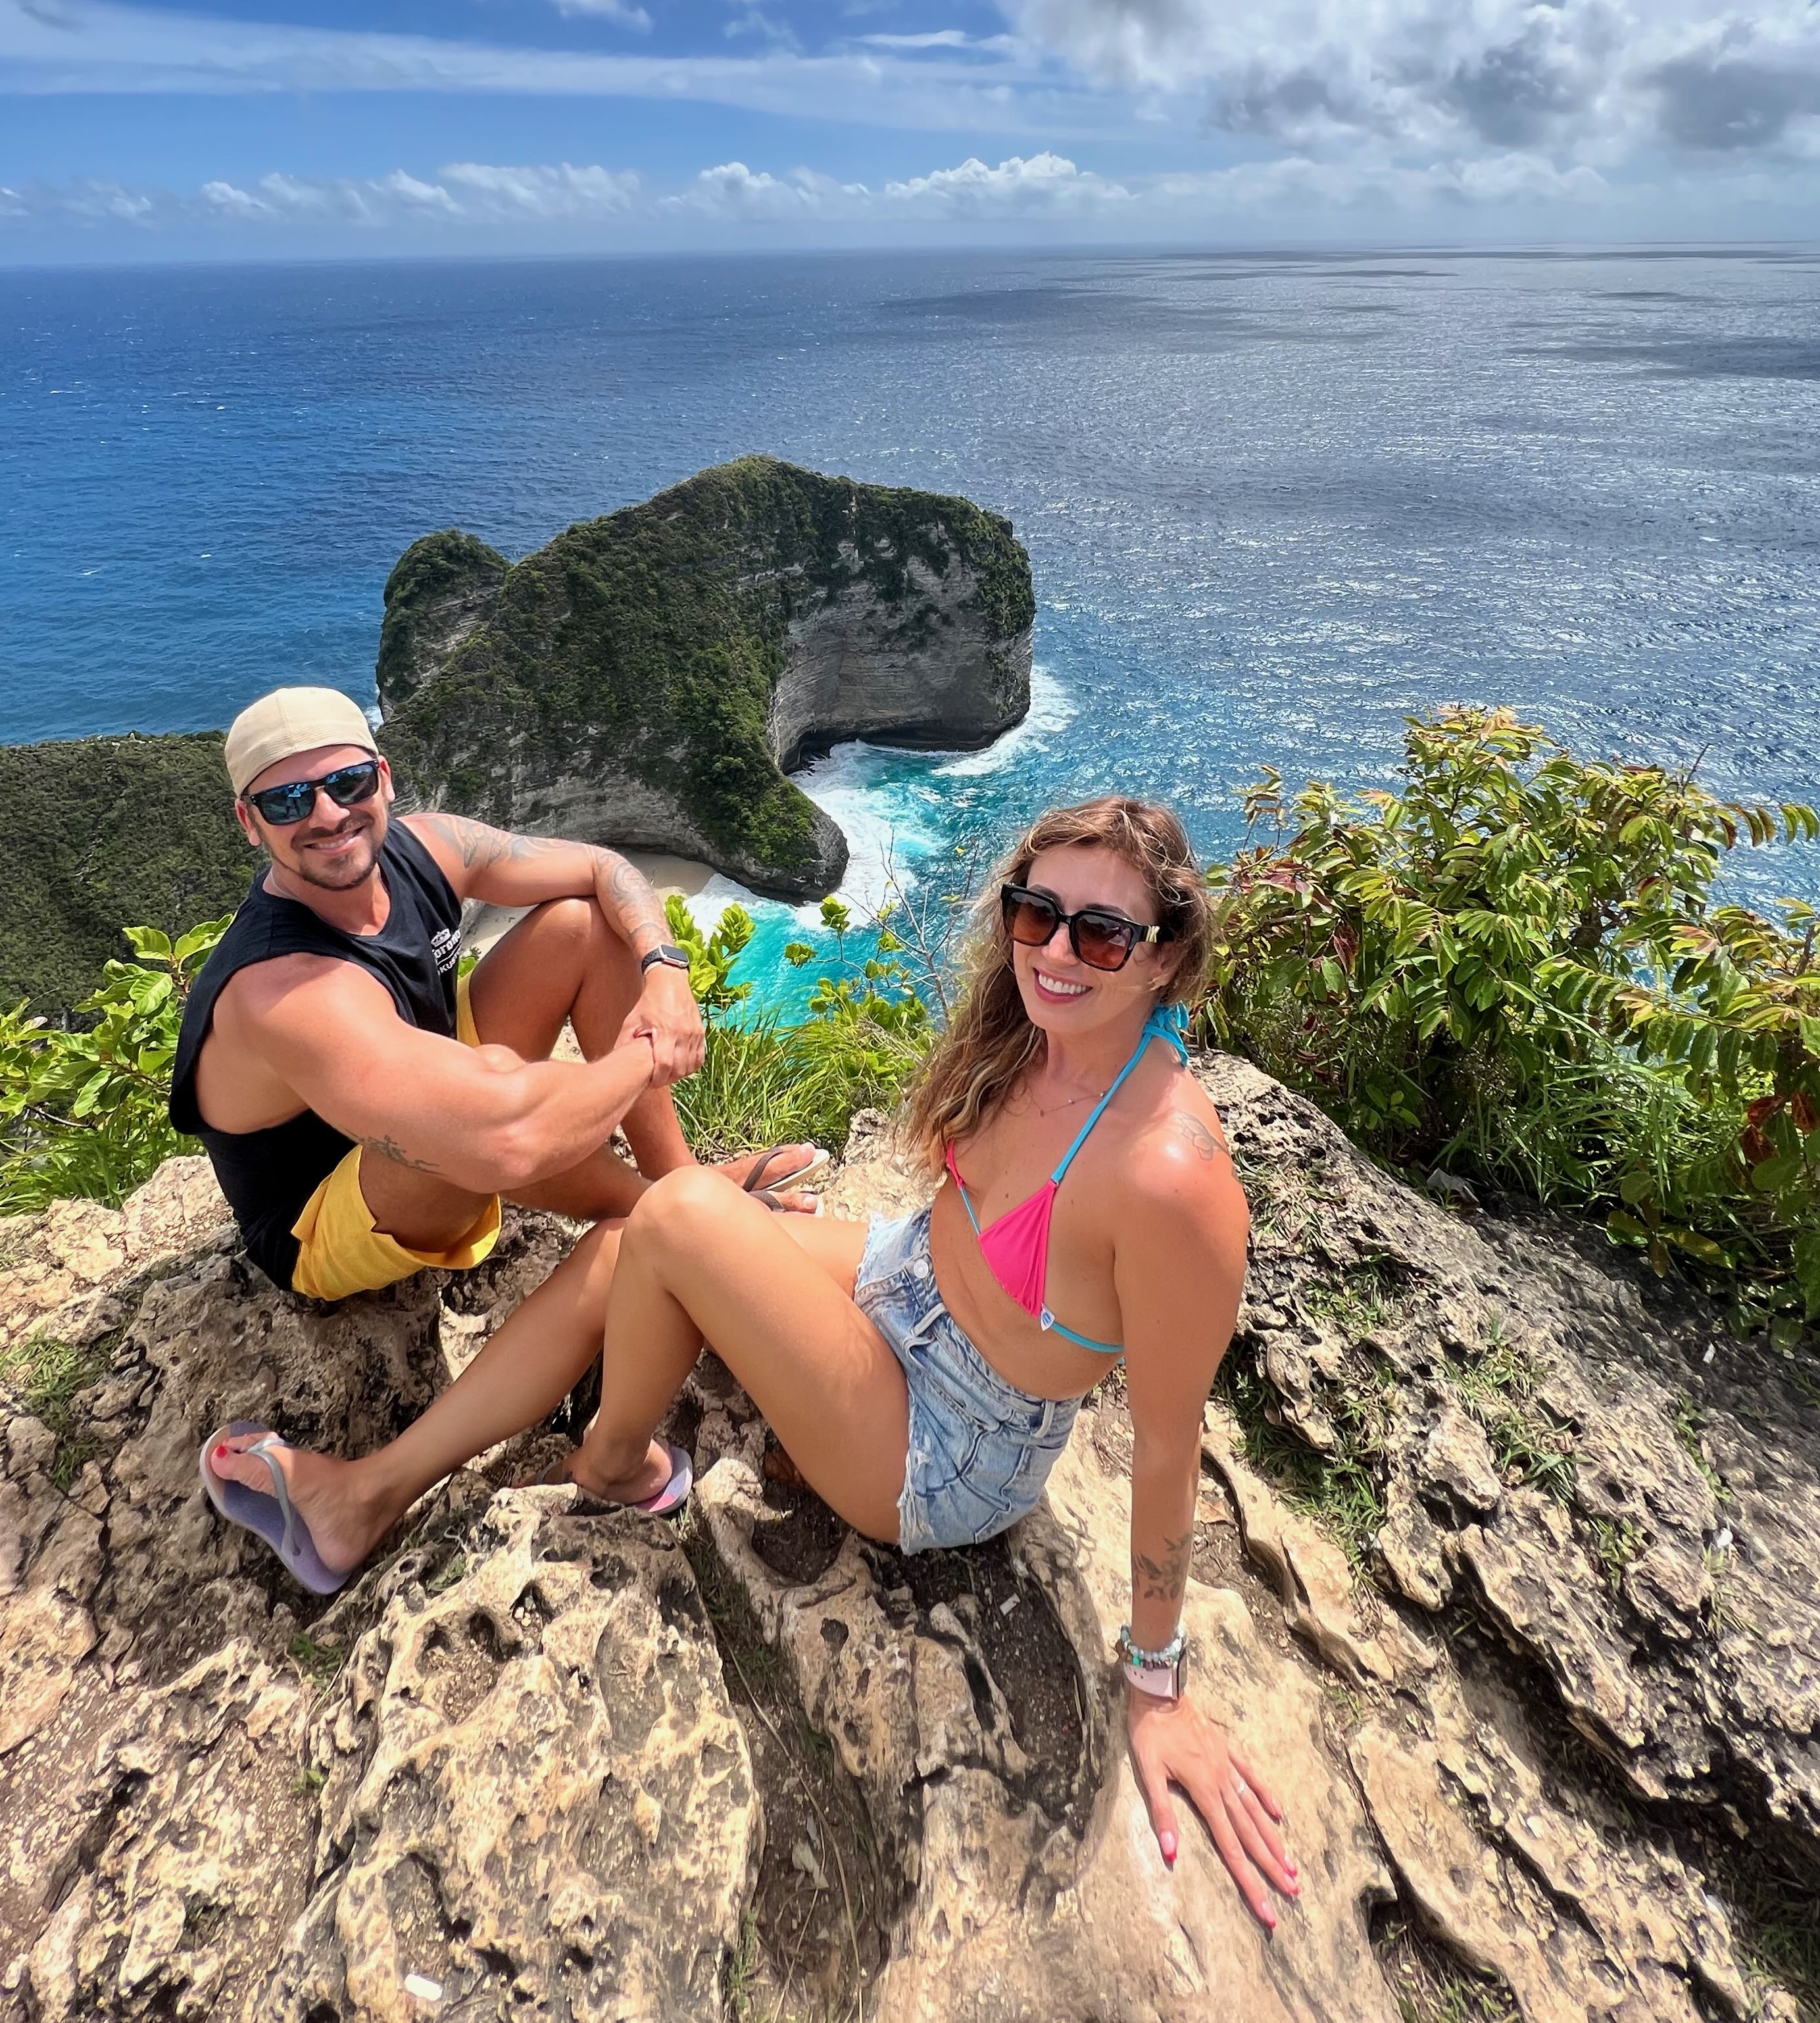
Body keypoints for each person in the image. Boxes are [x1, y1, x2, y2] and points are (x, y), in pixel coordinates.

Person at [209, 789, 1298, 1928]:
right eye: (1038, 915)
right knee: (635, 1238)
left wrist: (1159, 1686)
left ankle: (616, 1465)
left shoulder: (1171, 1177)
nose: (1060, 954)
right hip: (904, 1283)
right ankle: (365, 1494)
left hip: (949, 1443)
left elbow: (1171, 1444)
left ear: (1167, 958)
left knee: (676, 1217)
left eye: (1105, 933)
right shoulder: (1035, 1039)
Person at [181, 686, 822, 1581]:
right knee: (583, 1196)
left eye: (346, 782)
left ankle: (689, 1193)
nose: (327, 815)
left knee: (579, 927)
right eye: (289, 802)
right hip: (324, 1213)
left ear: (384, 779)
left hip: (430, 1107)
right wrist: (643, 1056)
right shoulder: (285, 988)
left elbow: (604, 869)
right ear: (251, 824)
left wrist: (661, 966)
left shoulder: (428, 848)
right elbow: (503, 1148)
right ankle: (365, 1495)